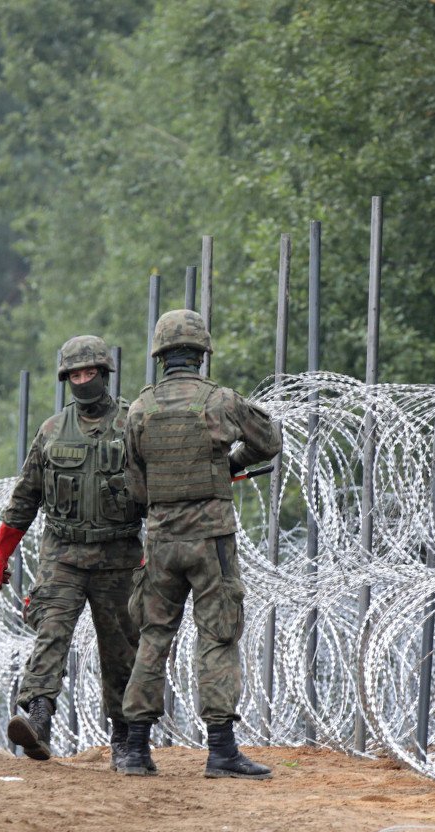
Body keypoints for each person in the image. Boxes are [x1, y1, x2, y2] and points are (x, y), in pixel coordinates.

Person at [118, 309, 282, 779]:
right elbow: (268, 440)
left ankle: (134, 750)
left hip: (162, 539)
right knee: (218, 636)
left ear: (161, 355)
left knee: (153, 636)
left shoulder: (139, 409)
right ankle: (222, 751)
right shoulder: (220, 400)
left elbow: (135, 483)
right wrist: (232, 462)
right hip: (210, 539)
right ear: (201, 353)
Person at [0, 336, 145, 768]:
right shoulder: (52, 431)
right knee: (50, 633)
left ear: (104, 374)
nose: (82, 380)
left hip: (119, 557)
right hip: (64, 555)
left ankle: (126, 739)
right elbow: (25, 497)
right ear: (66, 380)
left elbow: (158, 492)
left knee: (121, 652)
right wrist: (0, 551)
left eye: (89, 373)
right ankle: (38, 719)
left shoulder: (132, 424)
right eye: (75, 375)